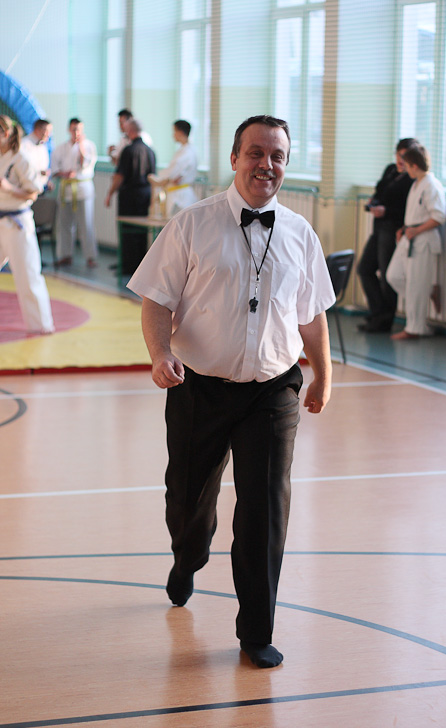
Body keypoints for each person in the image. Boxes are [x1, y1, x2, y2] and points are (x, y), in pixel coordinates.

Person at [127, 114, 335, 669]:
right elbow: (156, 299)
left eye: (277, 156)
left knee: (265, 510)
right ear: (235, 158)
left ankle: (256, 631)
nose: (266, 164)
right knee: (188, 501)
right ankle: (188, 556)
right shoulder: (191, 224)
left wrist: (323, 373)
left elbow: (311, 314)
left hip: (273, 391)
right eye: (256, 153)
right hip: (198, 387)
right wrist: (160, 353)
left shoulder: (300, 234)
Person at [356, 138, 418, 333]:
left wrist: (386, 211)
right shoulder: (390, 170)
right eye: (398, 155)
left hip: (392, 228)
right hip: (378, 227)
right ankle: (377, 312)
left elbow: (407, 210)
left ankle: (385, 319)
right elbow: (381, 191)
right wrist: (374, 202)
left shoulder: (412, 179)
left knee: (386, 275)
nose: (400, 160)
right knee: (364, 268)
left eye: (405, 156)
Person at [0, 115, 54, 334]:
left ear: (5, 133)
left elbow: (33, 193)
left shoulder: (21, 157)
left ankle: (41, 325)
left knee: (27, 275)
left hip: (17, 223)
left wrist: (9, 188)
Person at [387, 143, 446, 340]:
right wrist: (404, 229)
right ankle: (428, 291)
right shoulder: (416, 184)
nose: (405, 169)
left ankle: (415, 328)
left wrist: (417, 230)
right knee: (393, 276)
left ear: (414, 165)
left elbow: (439, 217)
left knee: (414, 285)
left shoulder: (432, 186)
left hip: (423, 240)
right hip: (409, 236)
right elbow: (415, 213)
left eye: (407, 165)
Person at [105, 118, 156, 276]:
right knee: (142, 231)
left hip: (129, 195)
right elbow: (153, 177)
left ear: (130, 131)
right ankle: (141, 266)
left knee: (127, 231)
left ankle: (128, 267)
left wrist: (110, 193)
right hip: (145, 194)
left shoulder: (128, 150)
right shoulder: (150, 151)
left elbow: (119, 176)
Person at [50, 118, 98, 267]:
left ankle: (90, 257)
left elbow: (86, 164)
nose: (76, 132)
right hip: (65, 189)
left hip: (83, 189)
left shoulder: (89, 146)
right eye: (73, 129)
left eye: (79, 129)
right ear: (68, 130)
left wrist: (81, 146)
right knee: (64, 224)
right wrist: (64, 174)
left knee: (86, 224)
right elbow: (54, 169)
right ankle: (65, 255)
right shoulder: (60, 148)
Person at [148, 120, 197, 216]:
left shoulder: (186, 152)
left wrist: (158, 179)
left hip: (180, 196)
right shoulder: (185, 150)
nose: (173, 135)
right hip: (178, 193)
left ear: (180, 132)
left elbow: (173, 173)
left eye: (174, 131)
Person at [20, 119, 53, 195]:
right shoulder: (23, 144)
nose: (49, 134)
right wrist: (39, 172)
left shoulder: (43, 146)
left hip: (41, 189)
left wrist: (47, 180)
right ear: (37, 130)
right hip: (26, 190)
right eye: (47, 131)